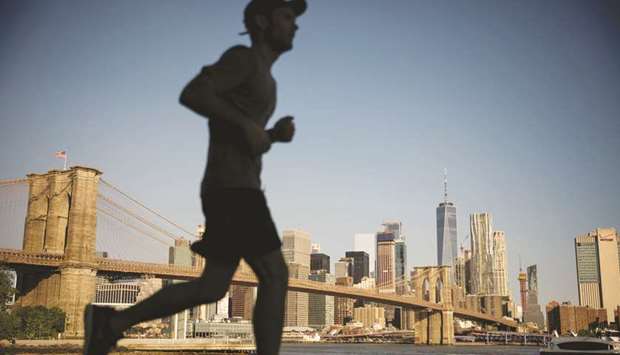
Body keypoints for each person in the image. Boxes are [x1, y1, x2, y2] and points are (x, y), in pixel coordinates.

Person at [83, 1, 306, 354]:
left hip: (231, 186)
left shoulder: (269, 80)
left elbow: (245, 138)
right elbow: (193, 93)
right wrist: (248, 125)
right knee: (275, 275)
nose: (295, 26)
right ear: (262, 21)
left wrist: (272, 135)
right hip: (235, 189)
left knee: (212, 287)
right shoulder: (242, 59)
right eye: (288, 17)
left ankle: (111, 323)